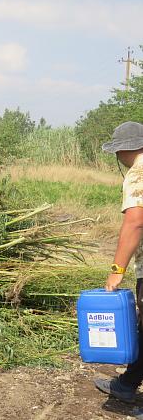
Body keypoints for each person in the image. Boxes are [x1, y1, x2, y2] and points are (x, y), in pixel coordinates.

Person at [94, 121, 143, 404]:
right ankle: (127, 383)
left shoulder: (138, 174)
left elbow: (135, 223)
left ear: (124, 149)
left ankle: (127, 385)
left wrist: (117, 271)